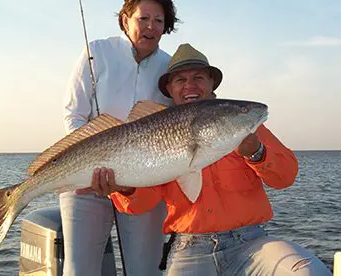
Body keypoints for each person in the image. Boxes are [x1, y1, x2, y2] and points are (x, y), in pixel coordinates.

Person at [86, 43, 333, 275]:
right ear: (170, 89)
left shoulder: (243, 124)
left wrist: (256, 152)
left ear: (211, 83)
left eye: (198, 78)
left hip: (251, 243)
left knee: (307, 270)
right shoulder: (156, 132)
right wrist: (123, 188)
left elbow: (286, 176)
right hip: (189, 247)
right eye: (181, 80)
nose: (189, 85)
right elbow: (142, 203)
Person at [61, 0, 179, 276]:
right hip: (85, 177)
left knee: (146, 269)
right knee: (80, 270)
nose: (151, 27)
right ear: (125, 19)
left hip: (144, 183)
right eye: (143, 18)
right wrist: (94, 161)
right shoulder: (96, 52)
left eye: (158, 20)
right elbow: (73, 114)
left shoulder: (170, 68)